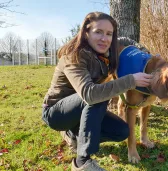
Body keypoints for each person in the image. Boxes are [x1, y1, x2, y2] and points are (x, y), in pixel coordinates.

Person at [41, 12, 153, 171]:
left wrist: (146, 53)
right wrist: (131, 80)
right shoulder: (73, 56)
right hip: (56, 113)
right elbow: (90, 94)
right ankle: (82, 162)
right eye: (98, 32)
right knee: (98, 96)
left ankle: (73, 136)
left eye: (109, 34)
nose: (104, 38)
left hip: (83, 109)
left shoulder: (106, 52)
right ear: (86, 33)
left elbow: (126, 41)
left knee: (121, 131)